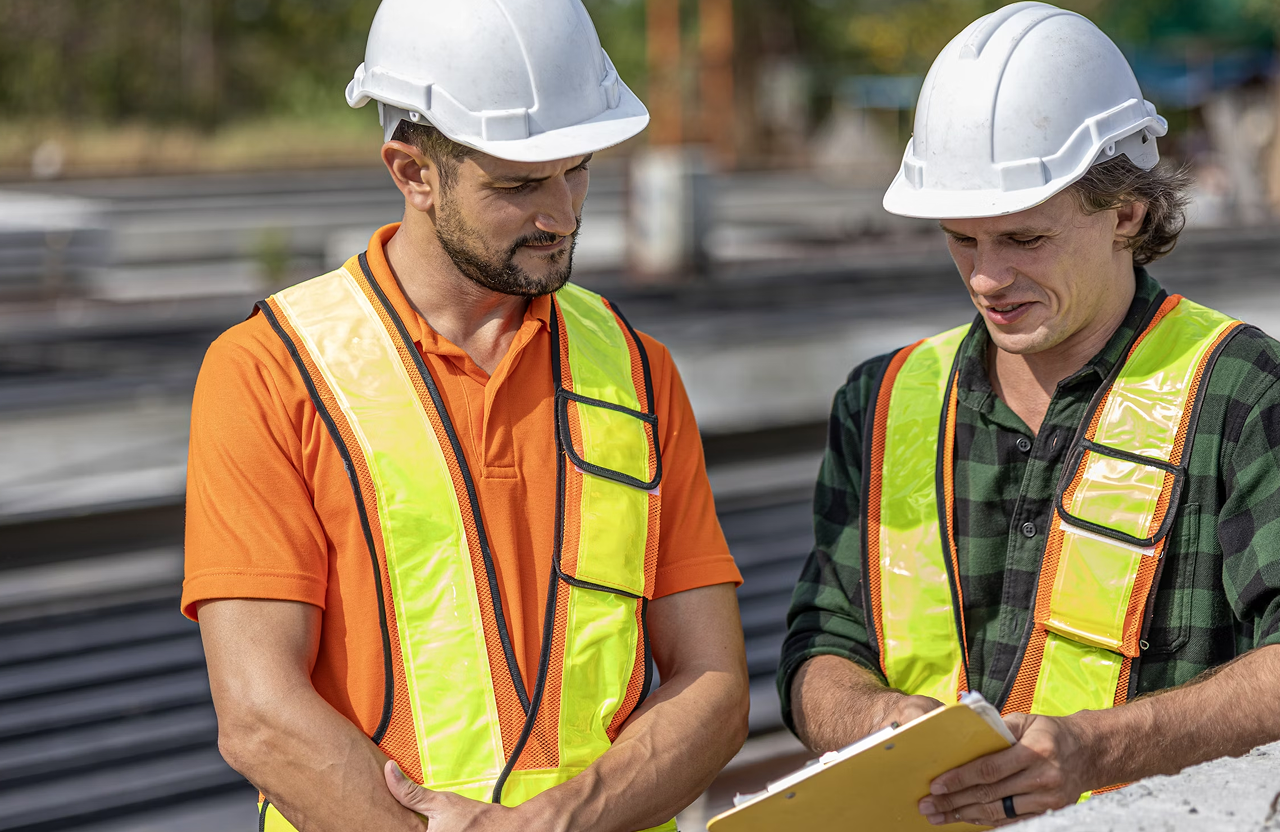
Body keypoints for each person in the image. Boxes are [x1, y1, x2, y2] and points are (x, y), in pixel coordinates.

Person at [182, 2, 749, 830]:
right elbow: (260, 713)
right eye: (518, 185)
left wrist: (556, 821)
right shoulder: (273, 372)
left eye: (577, 169)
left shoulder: (636, 370)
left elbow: (717, 684)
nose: (561, 213)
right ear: (413, 172)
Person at [779, 2, 1280, 826]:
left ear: (1127, 213)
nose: (985, 278)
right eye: (961, 240)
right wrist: (870, 721)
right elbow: (820, 644)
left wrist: (1097, 750)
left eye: (1021, 239)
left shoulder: (1237, 395)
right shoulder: (885, 399)